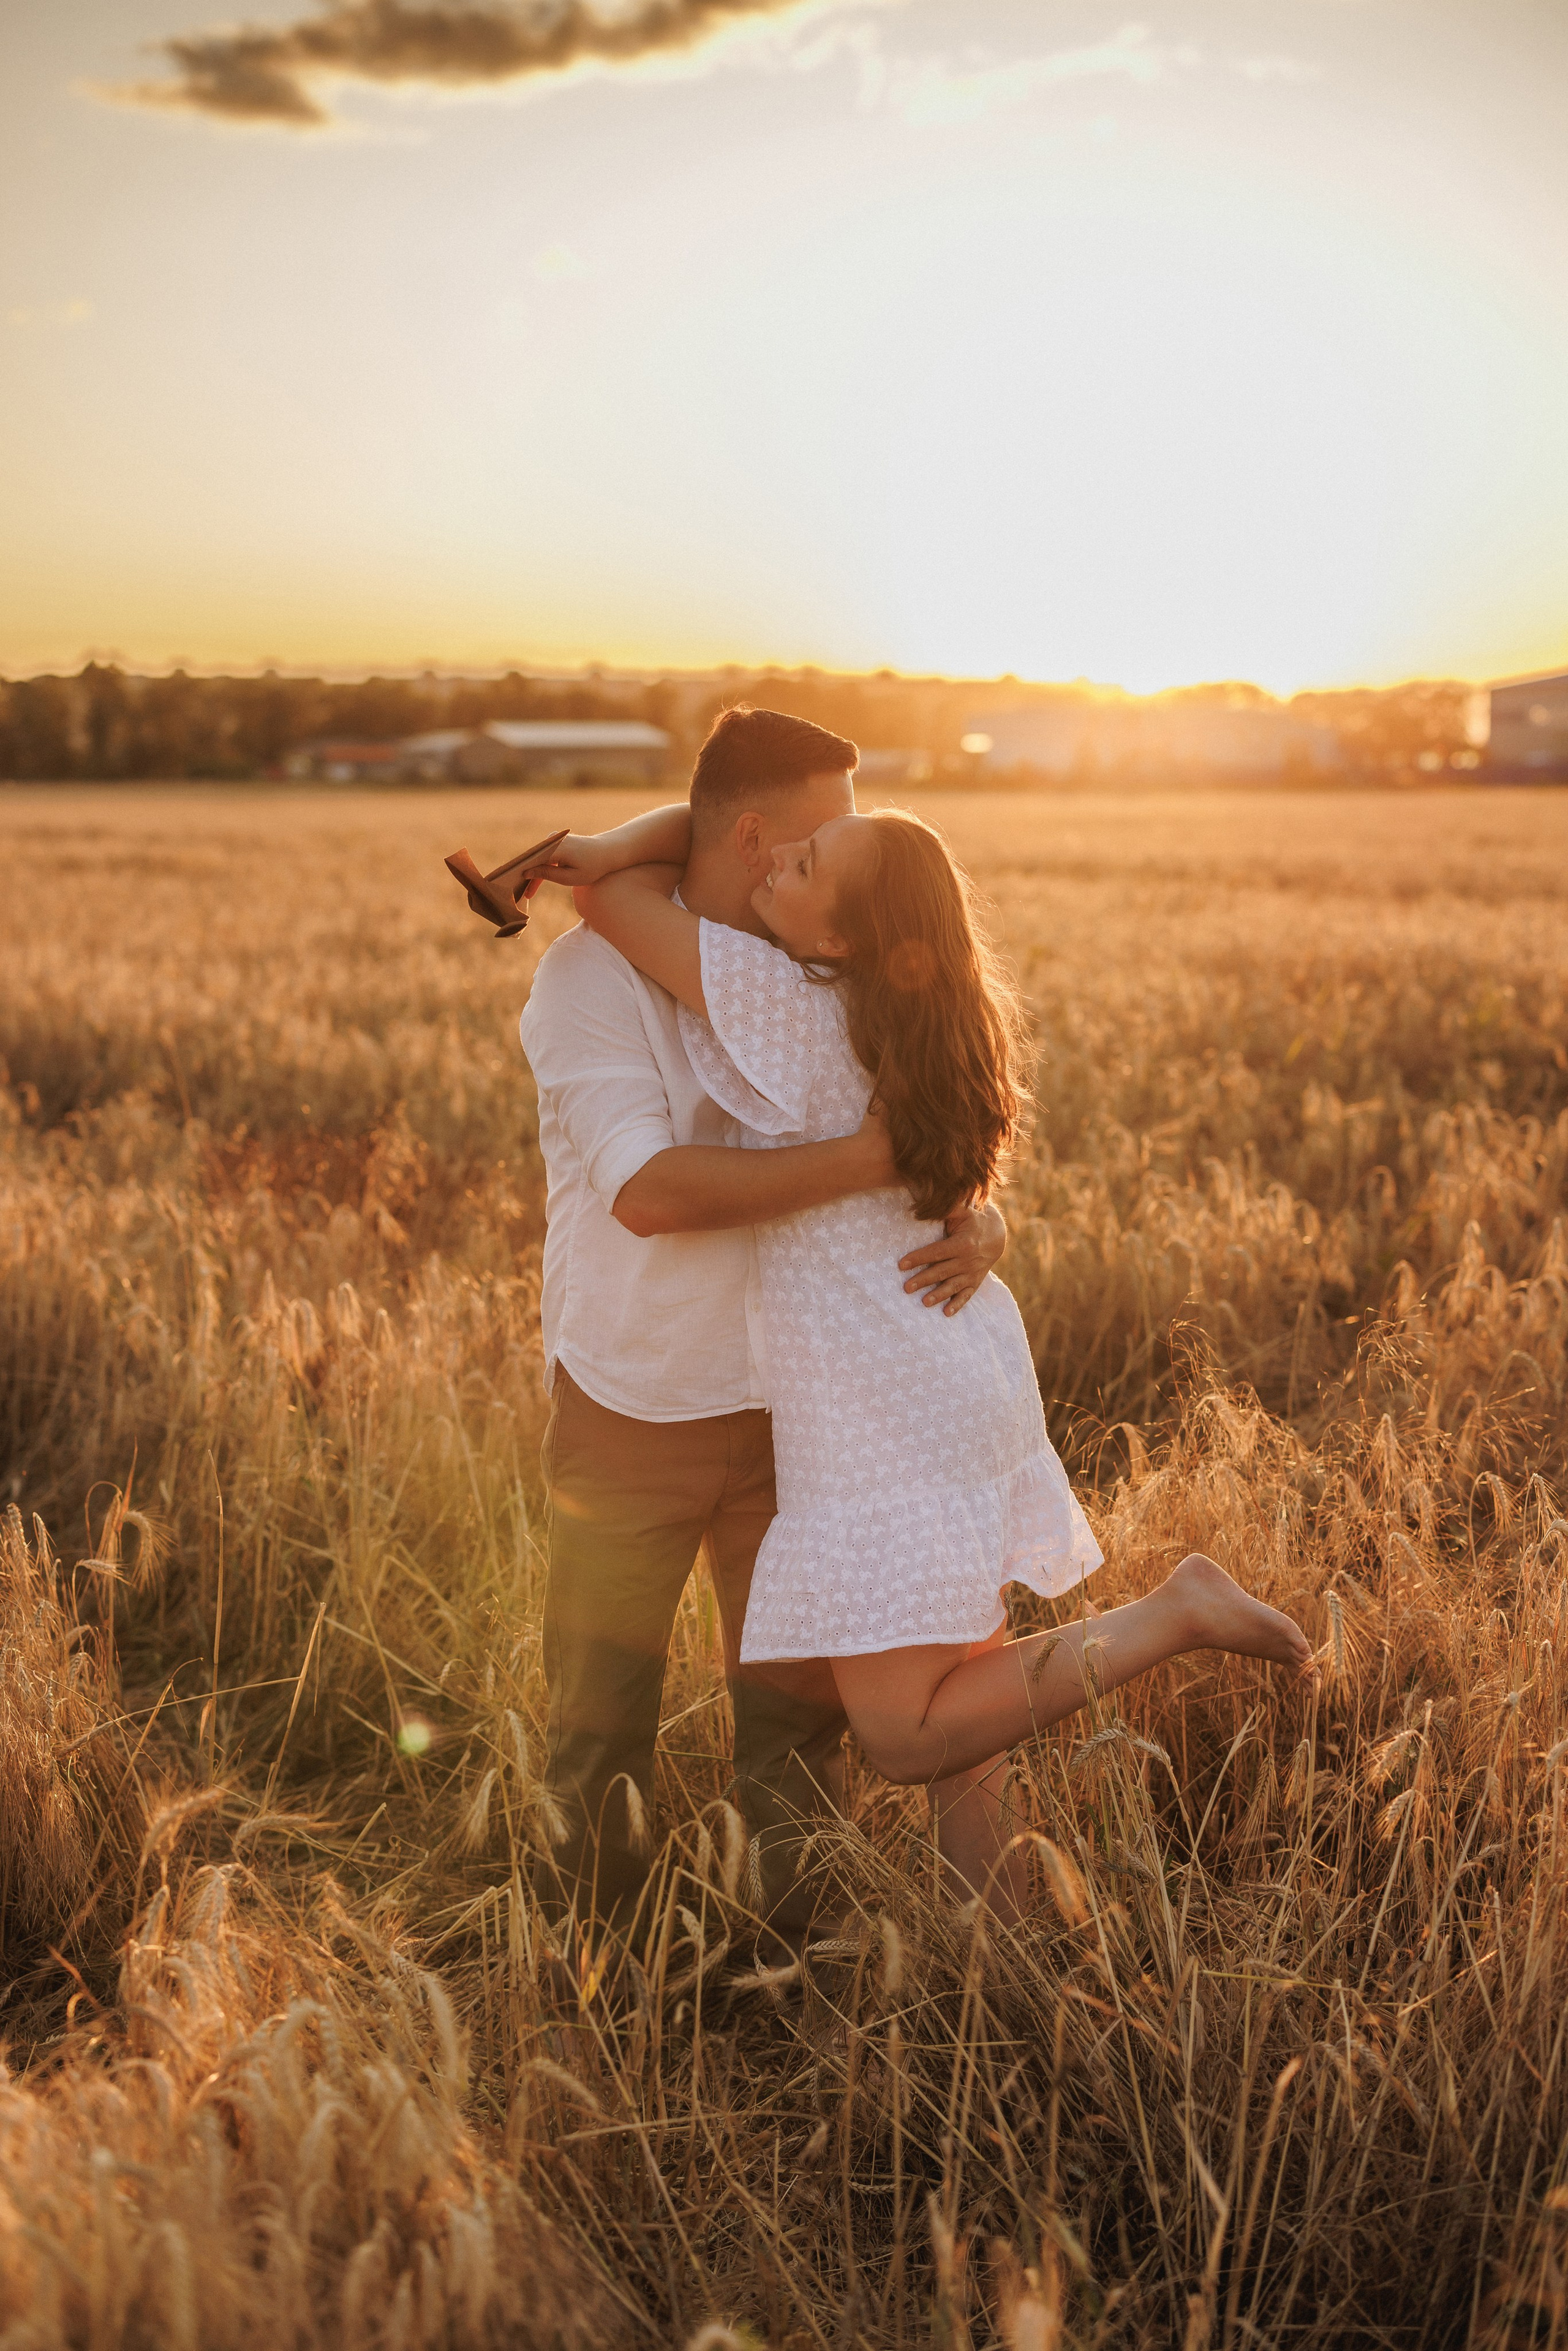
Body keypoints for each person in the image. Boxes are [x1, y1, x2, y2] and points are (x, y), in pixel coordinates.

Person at [564, 790, 1315, 1922]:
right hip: (960, 1363)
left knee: (909, 1731)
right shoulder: (930, 1018)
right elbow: (963, 1189)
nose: (775, 863)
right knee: (973, 1682)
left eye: (805, 866)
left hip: (878, 1405)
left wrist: (619, 842)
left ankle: (1173, 1612)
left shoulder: (791, 1001)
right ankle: (993, 1945)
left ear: (837, 941)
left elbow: (603, 895)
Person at [518, 708, 1008, 1953]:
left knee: (795, 1725)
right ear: (753, 839)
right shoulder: (591, 976)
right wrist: (863, 1161)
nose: (838, 853)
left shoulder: (822, 965)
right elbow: (651, 1192)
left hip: (801, 1412)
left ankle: (781, 1979)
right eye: (817, 836)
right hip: (633, 1409)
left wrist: (975, 1214)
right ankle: (595, 1983)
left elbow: (934, 1094)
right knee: (599, 1723)